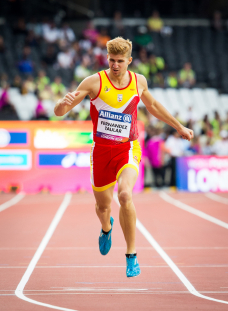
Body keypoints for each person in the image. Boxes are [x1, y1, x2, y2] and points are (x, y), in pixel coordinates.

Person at [54, 37, 193, 278]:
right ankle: (106, 229)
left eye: (120, 61)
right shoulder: (94, 82)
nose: (115, 65)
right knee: (102, 207)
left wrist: (179, 126)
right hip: (101, 152)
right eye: (111, 60)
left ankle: (131, 255)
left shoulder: (139, 81)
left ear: (130, 60)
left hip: (127, 149)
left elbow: (154, 107)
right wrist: (61, 103)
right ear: (106, 59)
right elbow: (60, 111)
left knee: (126, 194)